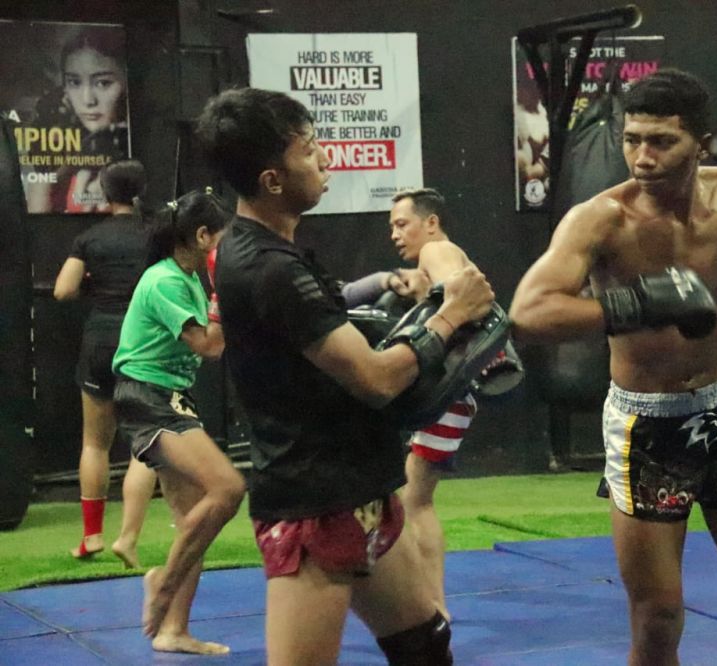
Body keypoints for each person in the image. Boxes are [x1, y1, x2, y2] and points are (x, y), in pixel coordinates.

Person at [510, 69, 717, 665]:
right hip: (646, 424)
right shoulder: (602, 218)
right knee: (656, 620)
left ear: (702, 144)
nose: (643, 157)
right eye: (632, 139)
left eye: (662, 142)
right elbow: (529, 311)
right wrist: (637, 305)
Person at [197, 87, 493, 665]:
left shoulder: (271, 252)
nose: (325, 158)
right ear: (272, 179)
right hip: (313, 502)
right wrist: (451, 315)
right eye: (309, 150)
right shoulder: (267, 267)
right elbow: (376, 380)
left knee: (425, 644)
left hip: (357, 486)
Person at [112, 189, 242, 654]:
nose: (229, 248)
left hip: (169, 395)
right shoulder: (165, 280)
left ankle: (172, 631)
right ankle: (164, 583)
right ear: (203, 236)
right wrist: (225, 293)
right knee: (227, 489)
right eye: (224, 238)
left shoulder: (187, 278)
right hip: (148, 397)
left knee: (194, 521)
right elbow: (209, 346)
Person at [53, 159, 158, 562]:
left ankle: (92, 536)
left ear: (105, 193)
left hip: (100, 342)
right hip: (144, 341)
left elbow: (63, 290)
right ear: (140, 192)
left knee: (95, 443)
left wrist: (94, 285)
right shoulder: (156, 236)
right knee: (145, 441)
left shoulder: (90, 238)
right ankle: (128, 538)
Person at [389, 187, 480, 621]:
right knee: (411, 498)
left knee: (414, 500)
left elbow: (460, 295)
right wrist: (421, 292)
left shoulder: (436, 249)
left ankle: (433, 606)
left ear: (430, 223)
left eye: (401, 224)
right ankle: (428, 602)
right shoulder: (441, 254)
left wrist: (434, 292)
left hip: (449, 391)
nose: (395, 234)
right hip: (450, 391)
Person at [29, 28, 129, 214]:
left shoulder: (142, 148)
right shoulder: (60, 152)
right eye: (74, 82)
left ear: (126, 84)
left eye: (103, 83)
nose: (88, 100)